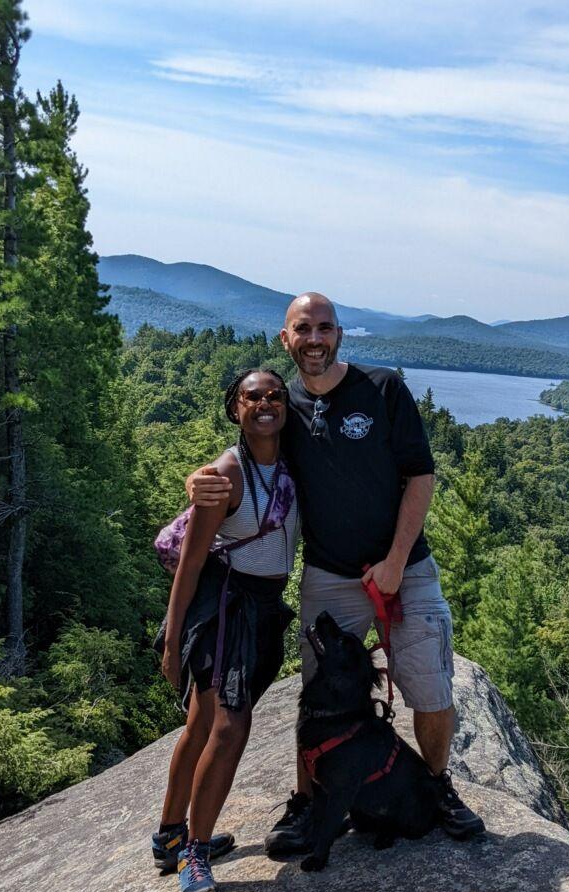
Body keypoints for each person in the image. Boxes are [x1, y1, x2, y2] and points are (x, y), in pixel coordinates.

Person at [187, 293, 484, 855]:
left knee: (429, 687)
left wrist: (396, 562)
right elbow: (246, 458)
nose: (315, 339)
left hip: (406, 566)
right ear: (286, 338)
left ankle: (436, 787)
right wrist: (198, 483)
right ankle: (310, 803)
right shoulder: (283, 404)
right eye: (304, 329)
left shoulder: (383, 388)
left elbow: (420, 474)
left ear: (340, 334)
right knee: (318, 696)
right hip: (328, 574)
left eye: (325, 328)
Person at [153, 368, 299, 892]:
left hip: (260, 606)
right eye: (251, 396)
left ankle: (169, 835)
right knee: (231, 724)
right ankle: (194, 851)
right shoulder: (225, 475)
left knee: (201, 721)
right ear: (234, 409)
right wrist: (172, 642)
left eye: (274, 395)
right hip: (222, 603)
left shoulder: (290, 460)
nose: (264, 403)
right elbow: (189, 566)